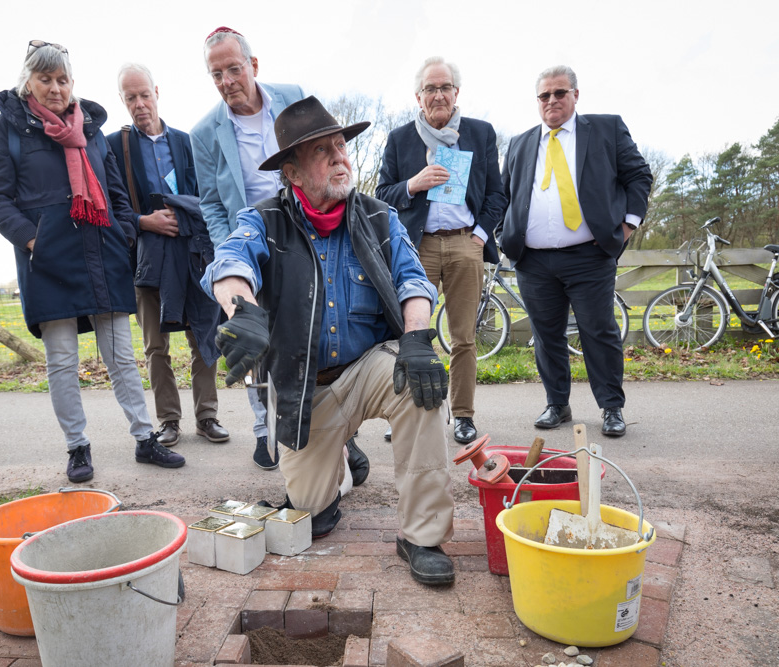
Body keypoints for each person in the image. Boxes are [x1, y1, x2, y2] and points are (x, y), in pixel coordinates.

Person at [202, 97, 456, 586]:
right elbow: (229, 263)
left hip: (369, 370)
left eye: (342, 146)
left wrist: (419, 338)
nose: (341, 157)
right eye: (324, 151)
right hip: (306, 387)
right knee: (312, 517)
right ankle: (340, 460)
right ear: (293, 174)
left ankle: (421, 536)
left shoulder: (381, 217)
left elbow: (413, 281)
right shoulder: (265, 219)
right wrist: (243, 310)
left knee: (419, 385)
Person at [0, 42, 183, 482]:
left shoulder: (89, 128)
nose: (55, 88)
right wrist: (35, 240)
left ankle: (145, 439)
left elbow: (115, 192)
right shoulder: (10, 128)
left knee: (122, 357)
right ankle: (77, 447)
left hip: (102, 253)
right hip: (49, 261)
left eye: (62, 80)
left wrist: (122, 231)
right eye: (45, 79)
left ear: (73, 83)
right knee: (62, 361)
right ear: (28, 82)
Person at [191, 27, 367, 483]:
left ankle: (341, 435)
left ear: (253, 65)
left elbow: (323, 150)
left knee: (320, 327)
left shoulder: (293, 98)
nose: (227, 80)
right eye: (216, 74)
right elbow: (210, 200)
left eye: (233, 68)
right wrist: (231, 251)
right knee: (254, 336)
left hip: (310, 230)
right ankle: (264, 427)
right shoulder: (204, 132)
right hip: (255, 238)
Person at [499, 65, 652, 437]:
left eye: (560, 93)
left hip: (589, 255)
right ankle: (557, 404)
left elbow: (638, 176)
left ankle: (612, 407)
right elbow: (504, 196)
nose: (552, 101)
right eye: (544, 95)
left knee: (598, 331)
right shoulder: (520, 143)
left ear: (575, 95)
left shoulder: (605, 129)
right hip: (533, 260)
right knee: (546, 334)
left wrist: (627, 225)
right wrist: (504, 234)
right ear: (537, 101)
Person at [376, 58, 507, 445]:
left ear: (456, 93)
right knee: (409, 334)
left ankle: (463, 415)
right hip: (419, 248)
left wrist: (481, 236)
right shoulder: (401, 139)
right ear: (418, 96)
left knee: (464, 336)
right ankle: (402, 411)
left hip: (467, 242)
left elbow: (497, 194)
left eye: (444, 87)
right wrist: (412, 185)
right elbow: (383, 196)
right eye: (430, 88)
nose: (438, 95)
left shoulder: (480, 134)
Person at [108, 63, 228, 448]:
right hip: (147, 259)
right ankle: (169, 421)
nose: (139, 104)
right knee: (155, 344)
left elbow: (208, 195)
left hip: (193, 254)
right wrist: (145, 221)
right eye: (131, 98)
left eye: (144, 95)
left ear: (157, 92)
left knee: (203, 334)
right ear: (123, 101)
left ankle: (207, 416)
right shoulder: (115, 147)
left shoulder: (187, 141)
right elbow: (112, 205)